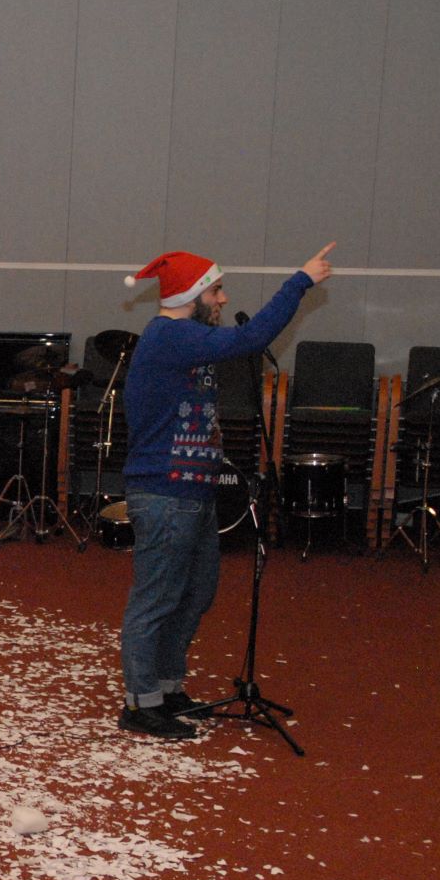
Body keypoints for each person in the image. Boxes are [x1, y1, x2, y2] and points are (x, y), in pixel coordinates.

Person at [117, 243, 337, 739]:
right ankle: (140, 703)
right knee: (157, 598)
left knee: (194, 594)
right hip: (165, 491)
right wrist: (300, 280)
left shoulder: (188, 339)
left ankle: (167, 689)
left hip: (192, 492)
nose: (222, 299)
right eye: (215, 290)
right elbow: (252, 337)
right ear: (191, 295)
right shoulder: (169, 335)